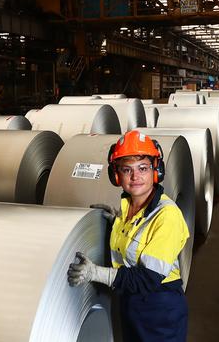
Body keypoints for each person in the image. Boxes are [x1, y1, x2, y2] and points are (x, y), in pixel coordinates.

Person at [67, 130, 190, 341]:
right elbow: (134, 244)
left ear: (155, 170)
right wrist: (117, 222)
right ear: (116, 175)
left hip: (160, 310)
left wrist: (95, 273)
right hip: (130, 301)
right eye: (127, 170)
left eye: (143, 168)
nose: (135, 177)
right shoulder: (128, 208)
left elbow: (148, 279)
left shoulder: (167, 215)